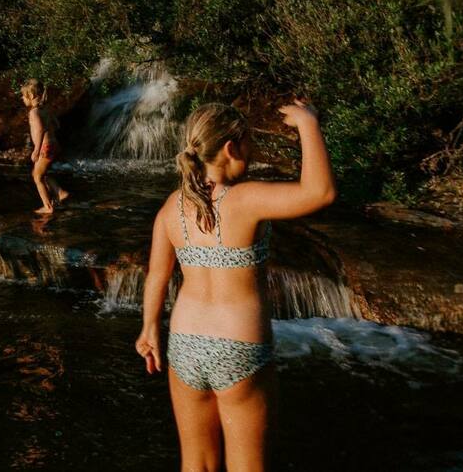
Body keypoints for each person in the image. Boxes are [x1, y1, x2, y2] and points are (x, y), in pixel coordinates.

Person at [136, 101, 335, 471]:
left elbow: (157, 274)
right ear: (232, 148)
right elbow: (320, 192)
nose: (254, 152)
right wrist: (308, 124)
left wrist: (149, 328)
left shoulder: (173, 207)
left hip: (184, 345)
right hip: (239, 345)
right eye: (251, 144)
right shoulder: (245, 199)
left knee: (196, 464)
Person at [21, 78, 69, 214]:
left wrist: (36, 150)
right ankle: (59, 193)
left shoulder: (34, 113)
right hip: (54, 144)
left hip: (45, 147)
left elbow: (41, 130)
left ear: (30, 96)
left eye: (23, 96)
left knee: (36, 176)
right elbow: (56, 124)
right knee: (43, 173)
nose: (22, 98)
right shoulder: (45, 109)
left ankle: (48, 206)